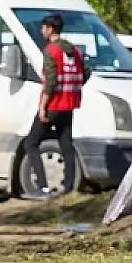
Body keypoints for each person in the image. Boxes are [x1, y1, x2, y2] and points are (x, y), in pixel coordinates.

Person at [26, 13, 89, 198]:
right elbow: (86, 72)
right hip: (69, 105)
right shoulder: (74, 50)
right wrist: (72, 88)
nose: (41, 31)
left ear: (50, 29)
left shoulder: (51, 50)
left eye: (43, 27)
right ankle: (68, 188)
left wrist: (43, 106)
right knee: (66, 145)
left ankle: (42, 187)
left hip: (53, 104)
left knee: (31, 143)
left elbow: (51, 81)